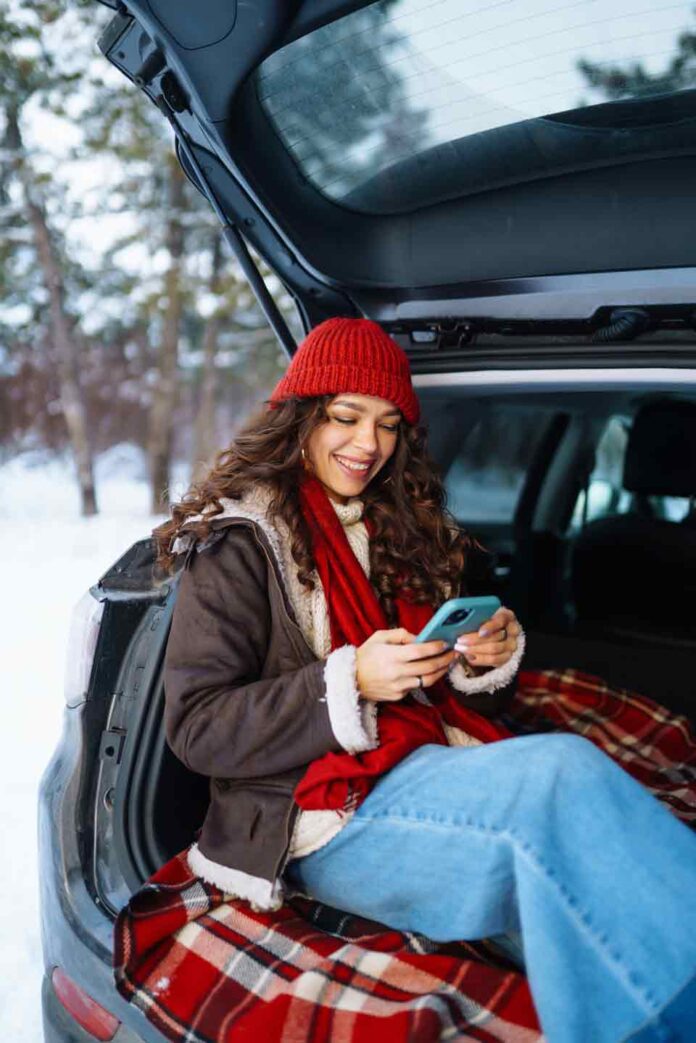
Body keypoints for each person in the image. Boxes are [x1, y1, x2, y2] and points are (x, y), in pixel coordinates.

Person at [155, 317, 696, 1043]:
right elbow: (197, 727)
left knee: (592, 864)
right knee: (561, 775)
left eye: (385, 424)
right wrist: (348, 682)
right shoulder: (238, 541)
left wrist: (481, 658)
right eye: (345, 416)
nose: (367, 444)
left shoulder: (396, 524)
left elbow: (455, 695)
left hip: (423, 761)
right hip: (318, 815)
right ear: (300, 415)